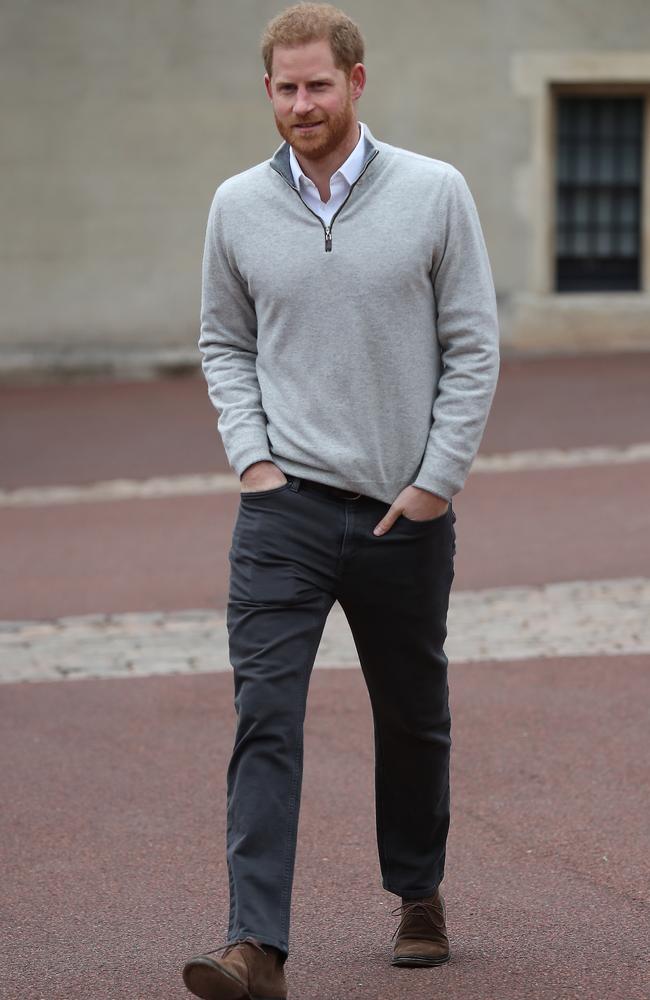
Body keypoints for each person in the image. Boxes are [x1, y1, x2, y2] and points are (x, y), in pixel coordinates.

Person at [182, 4, 499, 998]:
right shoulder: (235, 205)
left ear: (356, 81)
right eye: (284, 87)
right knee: (264, 717)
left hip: (398, 514)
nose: (300, 104)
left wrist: (433, 484)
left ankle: (416, 890)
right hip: (280, 512)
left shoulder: (433, 193)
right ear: (266, 91)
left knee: (411, 715)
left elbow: (472, 345)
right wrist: (252, 462)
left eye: (317, 84)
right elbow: (224, 343)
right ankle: (253, 945)